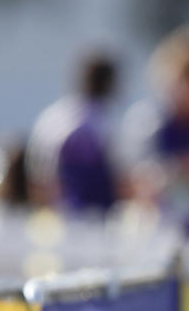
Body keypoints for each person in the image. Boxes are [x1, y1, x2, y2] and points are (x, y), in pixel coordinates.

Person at [121, 25, 189, 238]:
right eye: (187, 81)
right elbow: (133, 182)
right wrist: (180, 169)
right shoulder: (149, 123)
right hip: (155, 235)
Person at [26, 51, 121, 215]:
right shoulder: (97, 121)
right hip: (82, 208)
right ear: (107, 83)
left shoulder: (54, 113)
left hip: (52, 204)